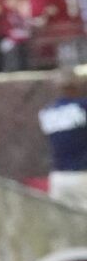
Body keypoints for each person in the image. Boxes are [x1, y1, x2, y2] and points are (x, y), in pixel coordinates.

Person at [39, 66, 87, 212]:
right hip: (81, 175)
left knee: (62, 224)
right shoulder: (82, 107)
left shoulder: (47, 112)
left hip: (58, 176)